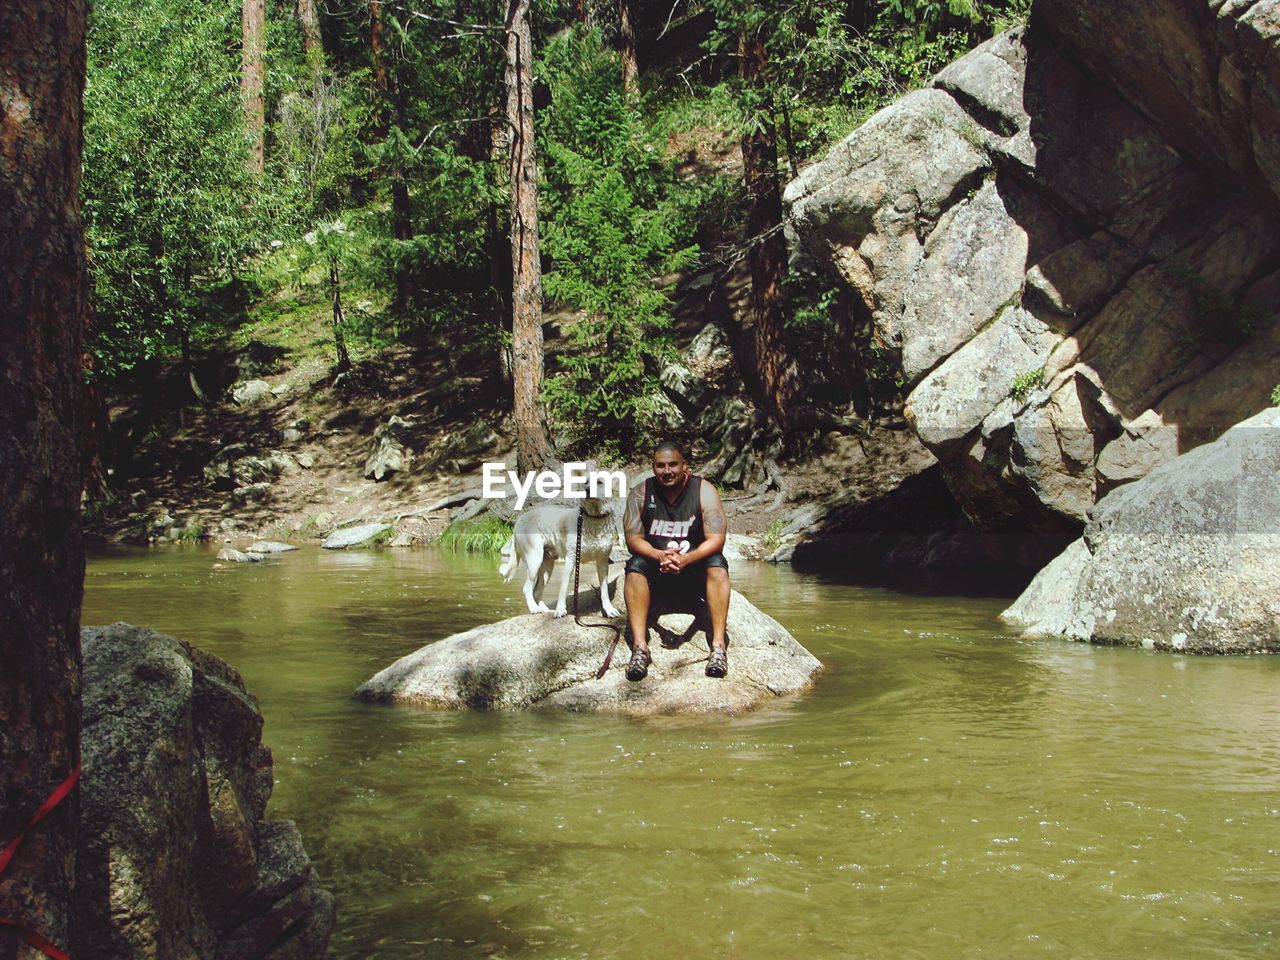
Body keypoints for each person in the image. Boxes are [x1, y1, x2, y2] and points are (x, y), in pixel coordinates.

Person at [621, 440, 730, 680]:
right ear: (653, 468)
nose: (667, 471)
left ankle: (719, 647)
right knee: (634, 566)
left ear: (685, 466)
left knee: (718, 565)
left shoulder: (704, 490)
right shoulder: (641, 493)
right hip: (657, 569)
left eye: (673, 465)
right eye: (660, 466)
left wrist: (688, 558)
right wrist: (658, 555)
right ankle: (640, 648)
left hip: (693, 569)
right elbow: (633, 539)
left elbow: (717, 539)